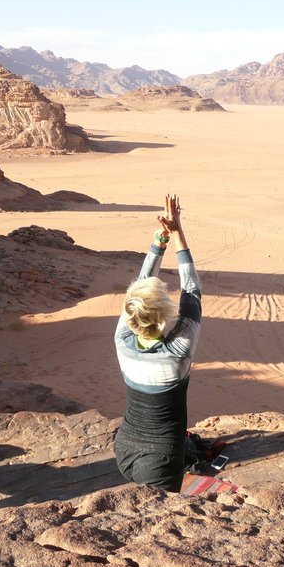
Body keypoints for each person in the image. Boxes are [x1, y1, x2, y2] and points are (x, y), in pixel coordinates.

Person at [113, 194, 202, 492]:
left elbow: (138, 288)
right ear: (163, 317)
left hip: (124, 447)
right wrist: (177, 231)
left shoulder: (122, 339)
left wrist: (160, 240)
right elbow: (191, 290)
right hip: (161, 459)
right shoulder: (177, 352)